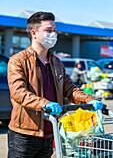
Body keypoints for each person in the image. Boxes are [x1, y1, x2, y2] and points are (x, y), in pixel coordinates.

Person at [7, 11, 103, 158]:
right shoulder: (18, 61)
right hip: (25, 134)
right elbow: (18, 92)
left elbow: (70, 89)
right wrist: (45, 104)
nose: (53, 34)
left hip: (51, 132)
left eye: (54, 30)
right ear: (34, 33)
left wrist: (89, 100)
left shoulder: (56, 62)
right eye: (48, 30)